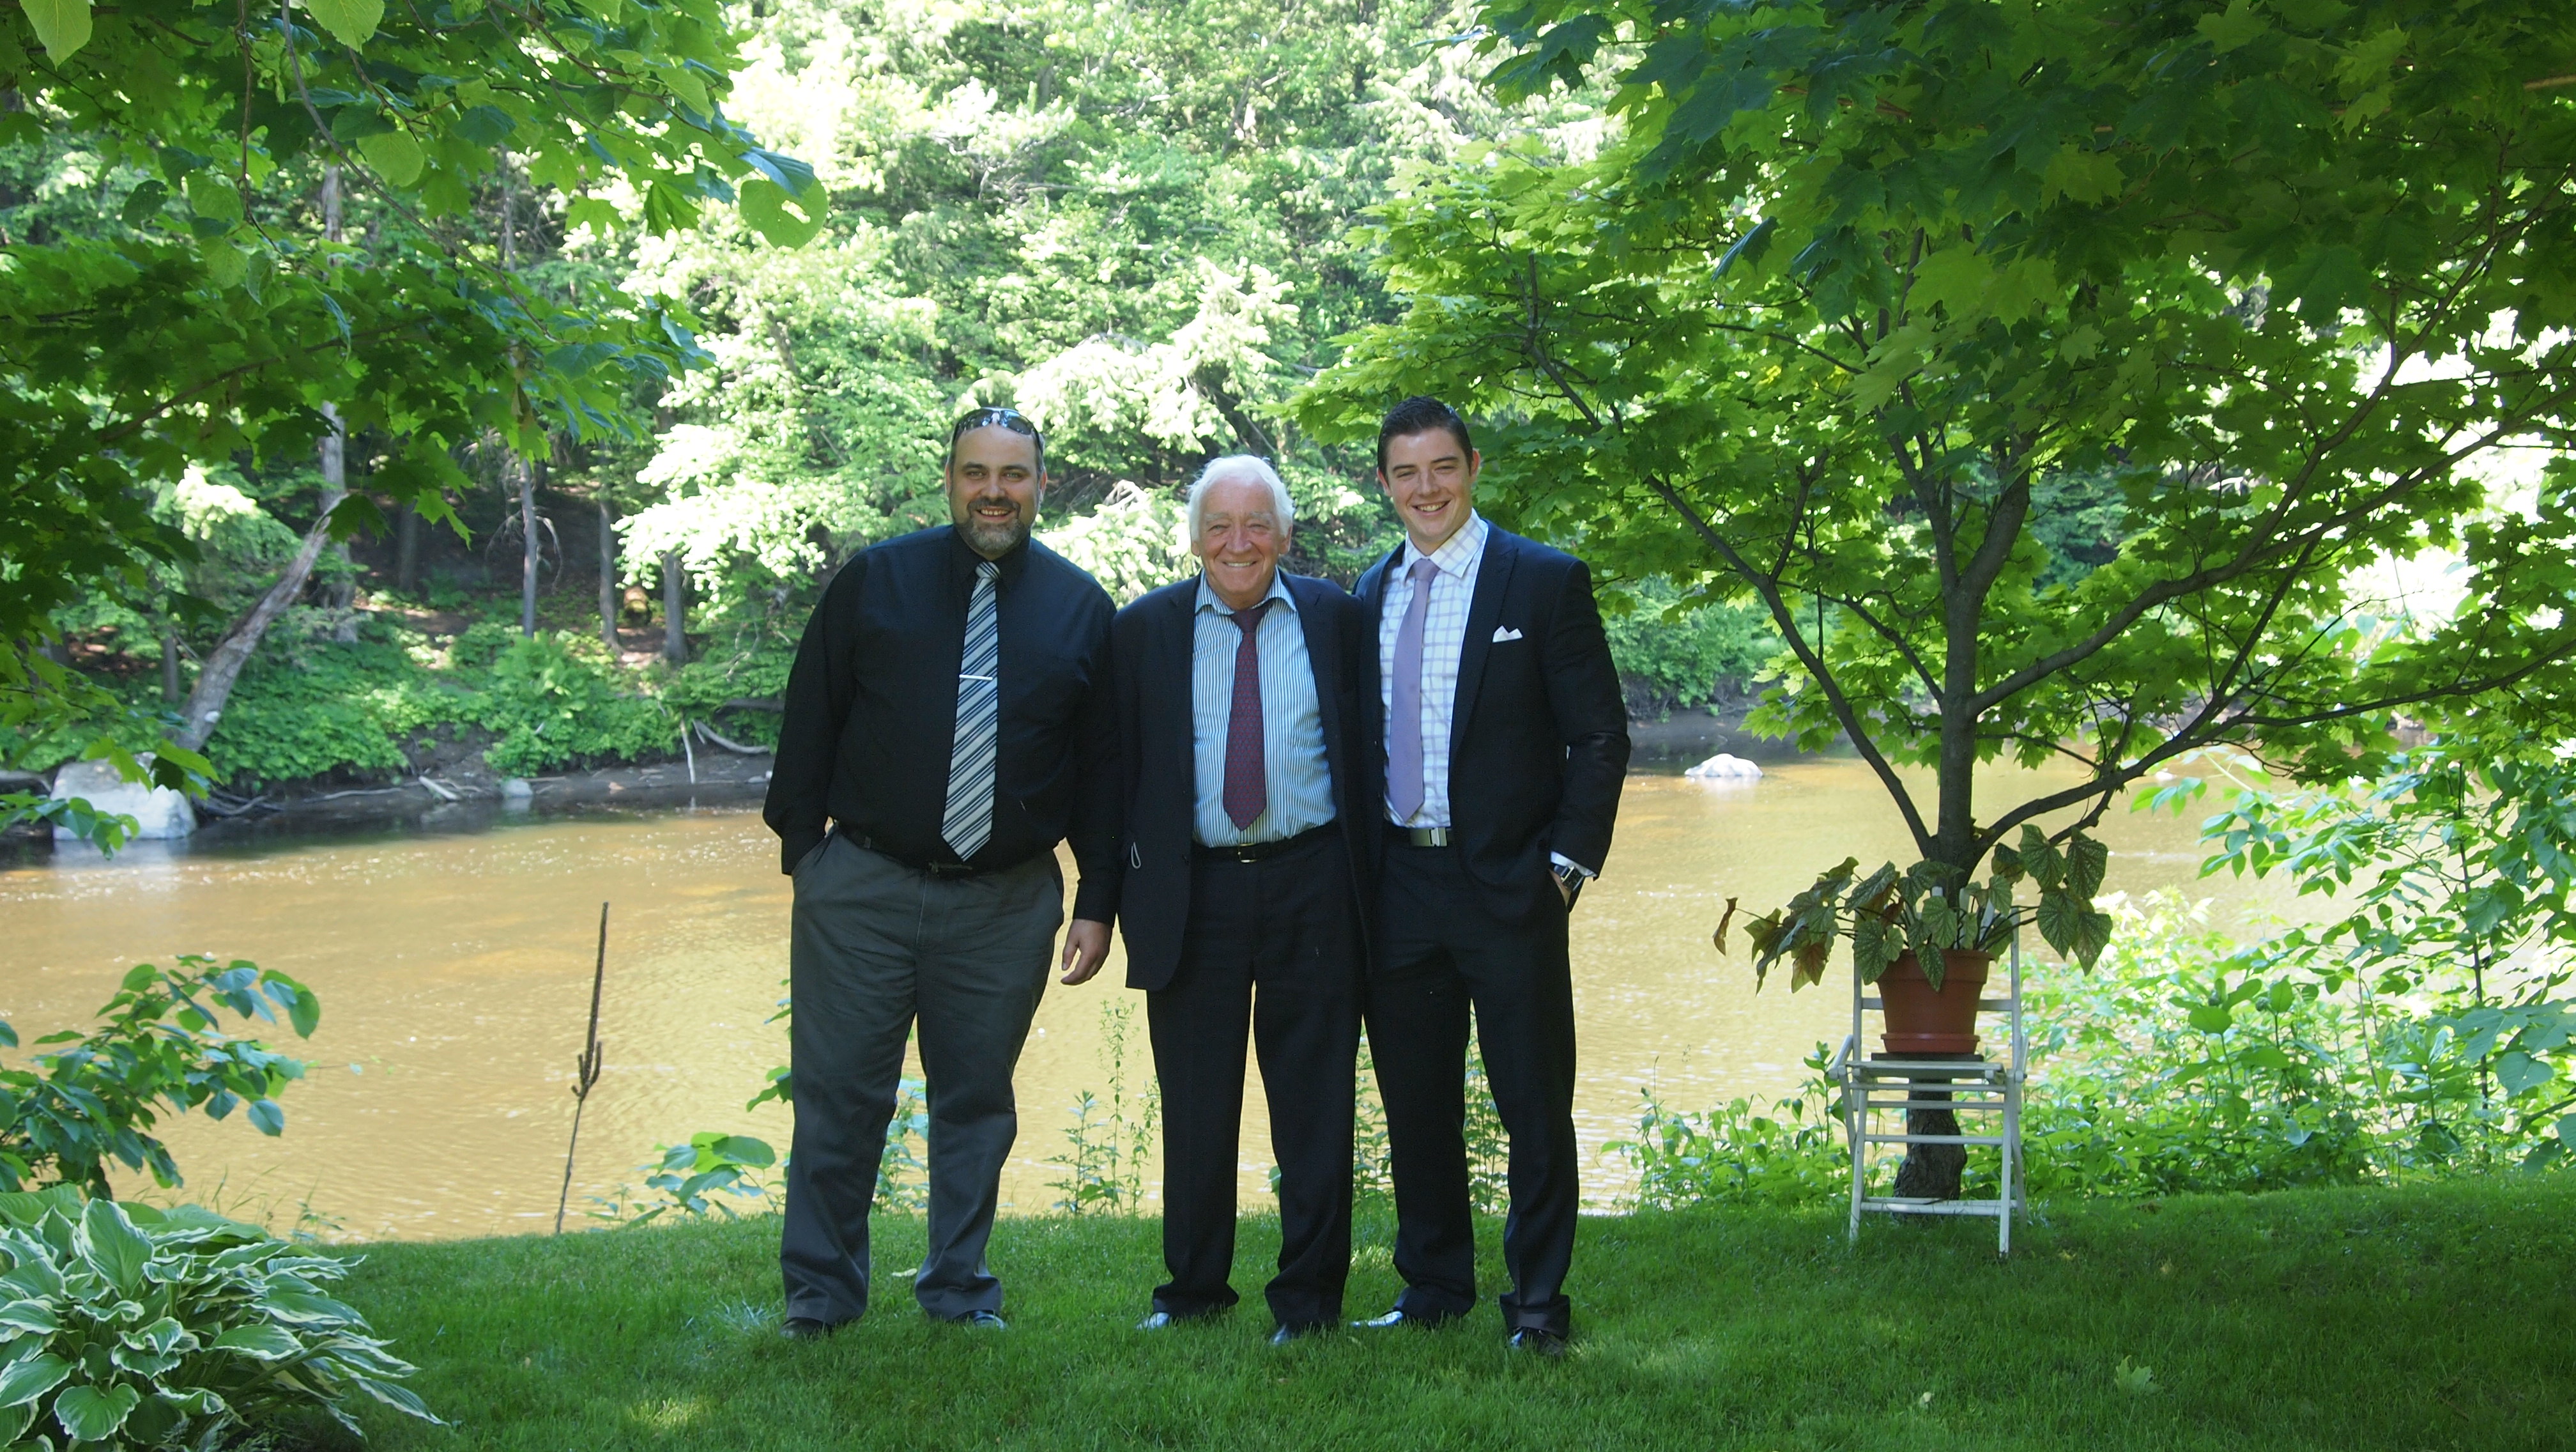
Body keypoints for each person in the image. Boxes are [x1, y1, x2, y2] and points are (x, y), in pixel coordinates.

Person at [763, 406, 1117, 1338]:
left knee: (976, 1106)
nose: (994, 492)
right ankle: (821, 1299)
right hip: (863, 890)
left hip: (1004, 904)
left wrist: (1098, 899)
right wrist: (807, 859)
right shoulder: (874, 583)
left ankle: (959, 1290)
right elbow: (810, 717)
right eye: (976, 473)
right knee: (839, 1101)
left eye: (1013, 474)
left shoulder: (1082, 610)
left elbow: (1101, 772)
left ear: (1041, 485)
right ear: (950, 480)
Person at [1352, 396, 1629, 1356]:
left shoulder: (1543, 581)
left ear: (1473, 468)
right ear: (1384, 483)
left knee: (1533, 1105)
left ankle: (1538, 1304)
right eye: (1406, 472)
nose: (1426, 488)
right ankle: (1434, 1285)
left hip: (1511, 888)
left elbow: (1600, 736)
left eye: (1442, 467)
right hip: (1399, 885)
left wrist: (1565, 868)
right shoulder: (1370, 591)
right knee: (1415, 1101)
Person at [1101, 456, 1379, 1344]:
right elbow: (1113, 779)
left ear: (1284, 536)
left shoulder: (1338, 619)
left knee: (1315, 1104)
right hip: (1193, 890)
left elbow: (1372, 753)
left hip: (1314, 882)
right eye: (1219, 526)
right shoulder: (1143, 630)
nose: (1238, 543)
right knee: (1195, 1102)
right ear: (1194, 539)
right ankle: (1192, 1292)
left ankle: (1310, 1301)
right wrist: (1098, 903)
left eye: (1257, 524)